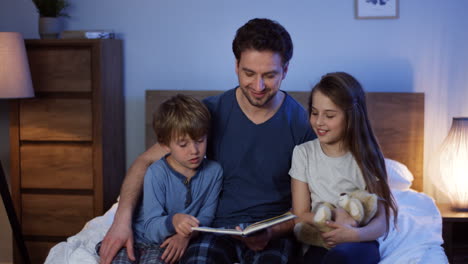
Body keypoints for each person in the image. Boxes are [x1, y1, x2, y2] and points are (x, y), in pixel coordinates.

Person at [99, 18, 315, 264]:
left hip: (272, 234)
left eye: (269, 75)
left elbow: (304, 207)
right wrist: (121, 221)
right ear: (236, 65)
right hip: (214, 230)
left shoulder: (302, 124)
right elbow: (144, 162)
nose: (258, 85)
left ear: (285, 70)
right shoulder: (208, 113)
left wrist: (272, 232)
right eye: (249, 73)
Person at [96, 94, 223, 264]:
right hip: (142, 238)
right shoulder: (156, 172)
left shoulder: (214, 172)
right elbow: (150, 228)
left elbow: (207, 216)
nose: (194, 150)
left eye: (200, 140)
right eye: (183, 144)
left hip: (168, 243)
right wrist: (174, 221)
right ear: (165, 145)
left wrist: (186, 234)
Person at [290, 72, 399, 264]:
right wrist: (330, 222)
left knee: (342, 257)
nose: (319, 122)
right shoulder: (303, 153)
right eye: (314, 113)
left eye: (329, 115)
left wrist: (353, 234)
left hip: (358, 240)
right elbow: (299, 216)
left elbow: (381, 222)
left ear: (351, 117)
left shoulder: (367, 156)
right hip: (320, 240)